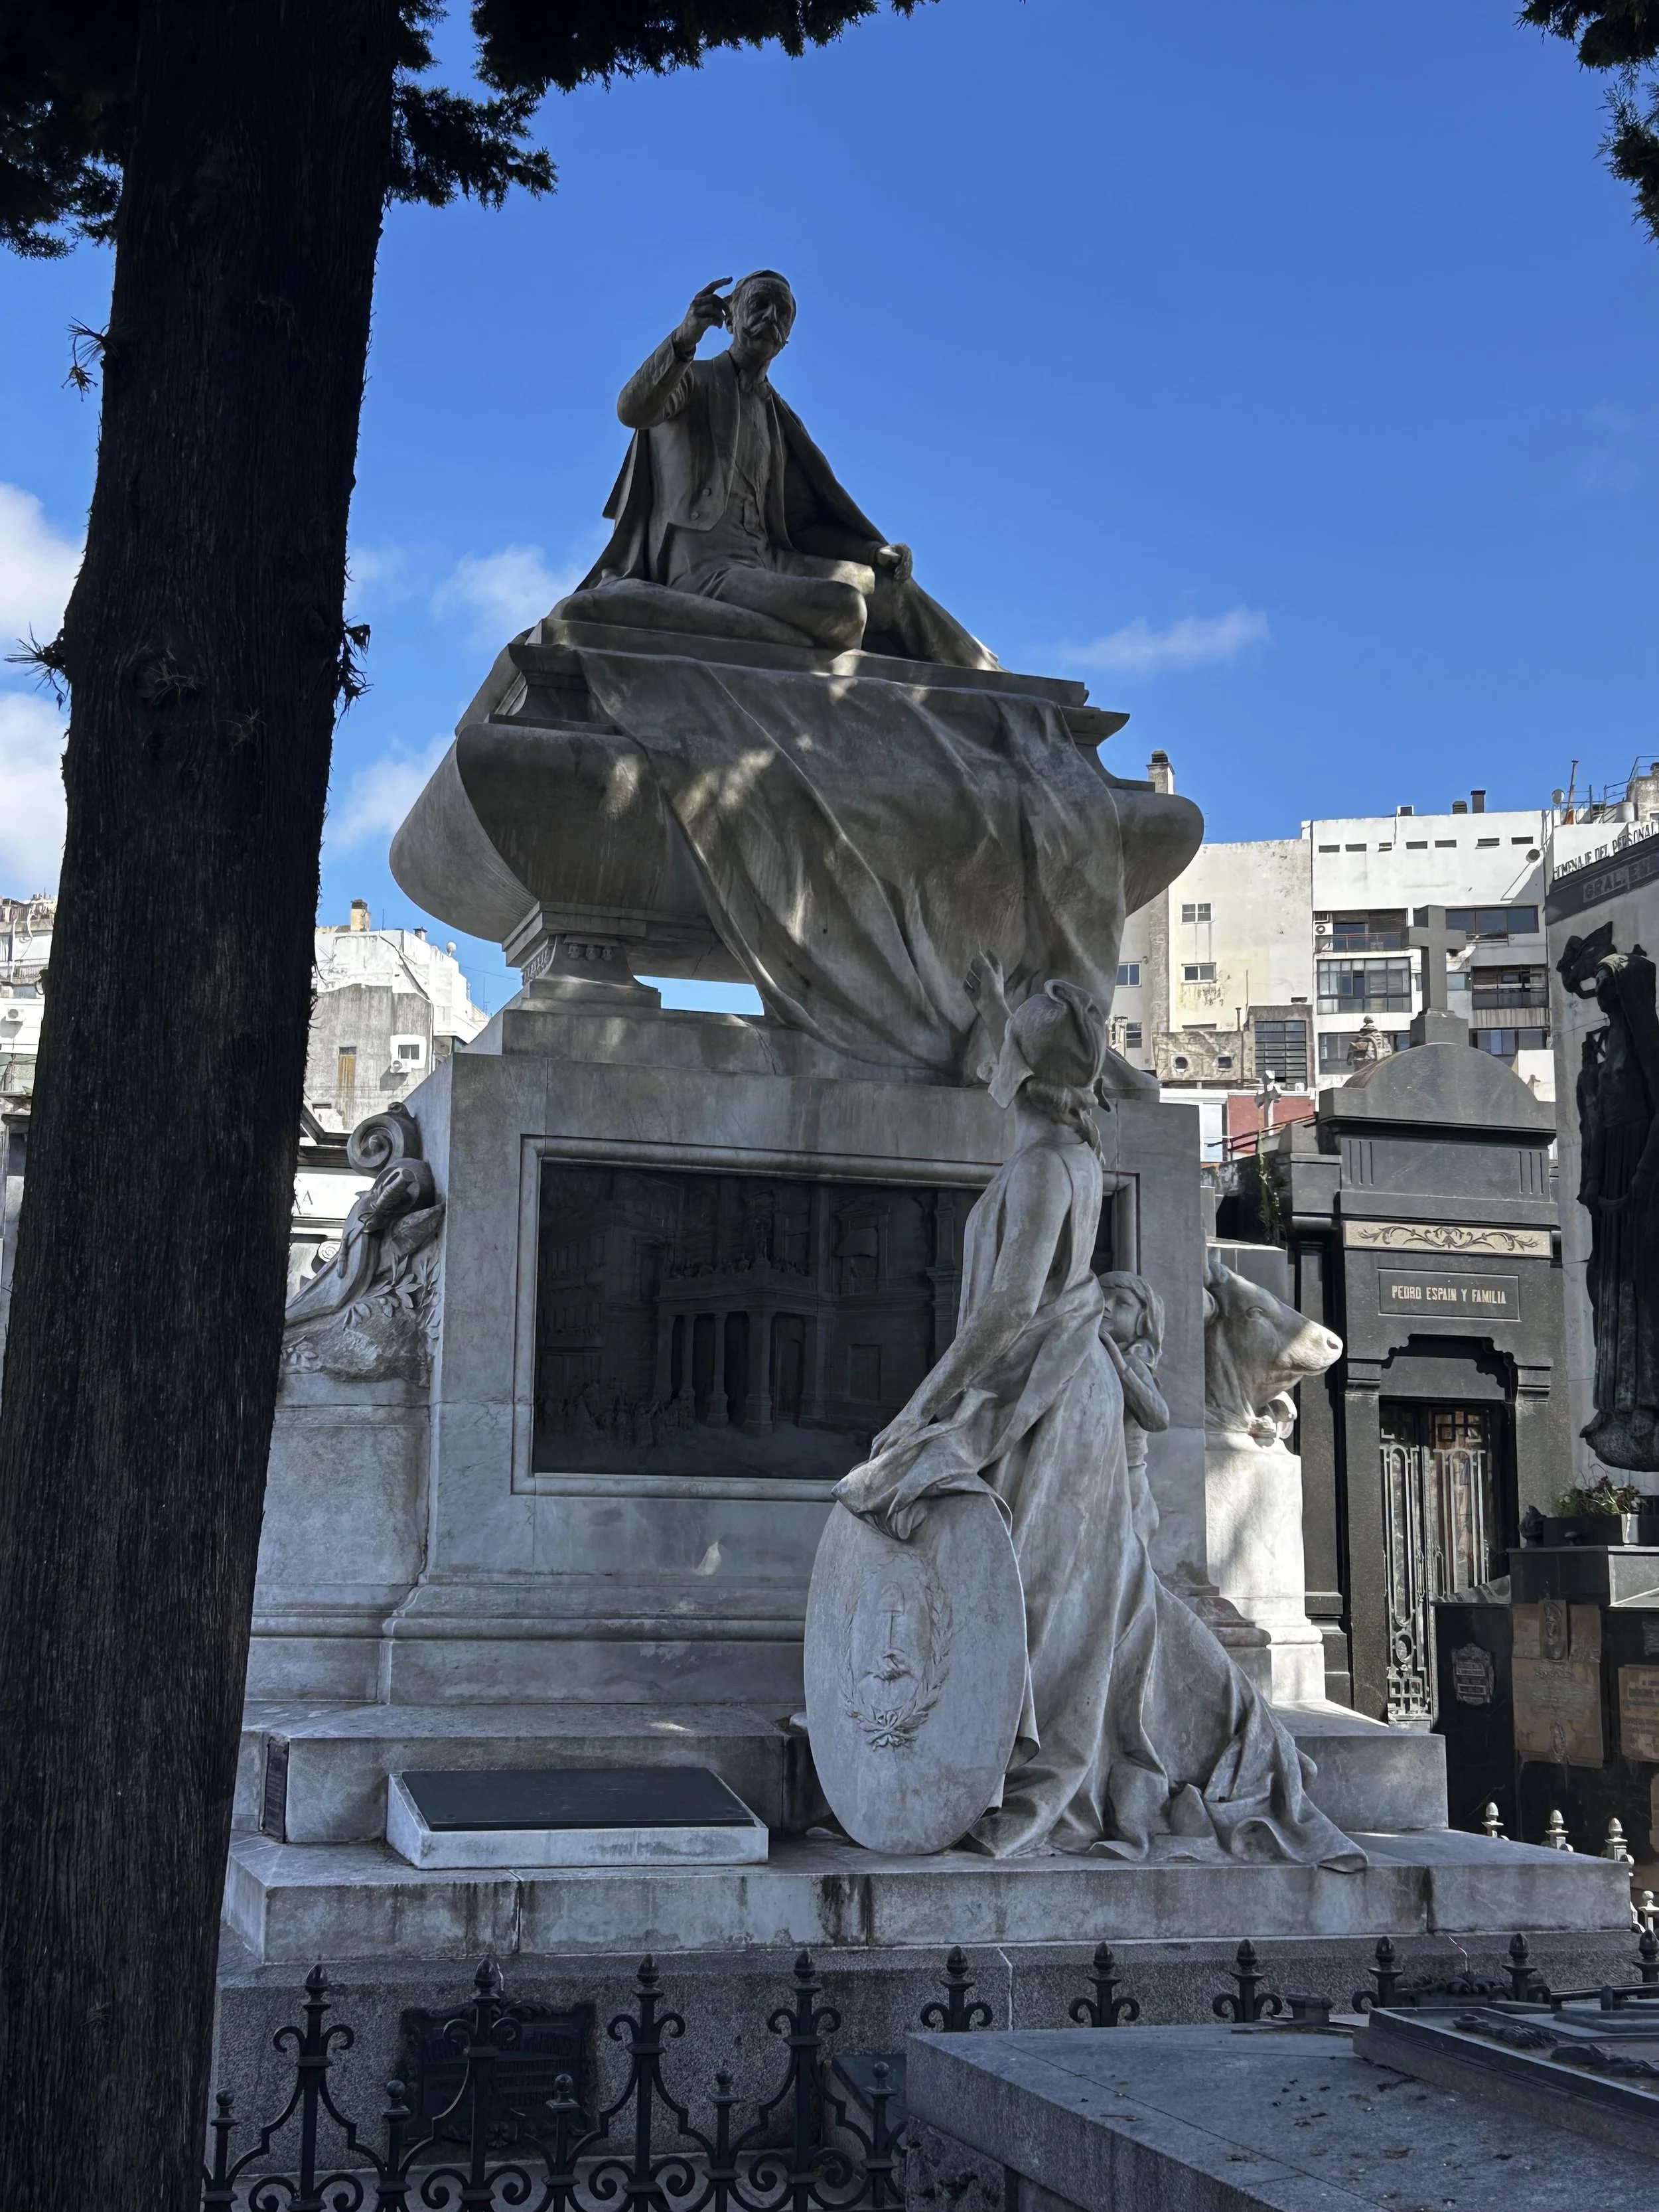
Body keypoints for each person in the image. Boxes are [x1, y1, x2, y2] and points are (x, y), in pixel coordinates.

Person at [835, 962, 1362, 1868]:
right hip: (1049, 1386)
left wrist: (920, 1406)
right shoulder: (1058, 1155)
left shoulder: (1045, 1166)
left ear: (1020, 1068)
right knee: (1065, 1591)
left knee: (1049, 1597)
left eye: (1004, 1047)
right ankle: (1018, 1756)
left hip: (1052, 1392)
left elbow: (1006, 1311)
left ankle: (1046, 1774)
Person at [571, 271, 995, 665]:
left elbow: (803, 528)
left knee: (891, 591)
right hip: (705, 569)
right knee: (845, 609)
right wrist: (684, 340)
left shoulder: (780, 419)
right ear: (732, 316)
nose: (772, 318)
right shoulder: (692, 378)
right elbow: (633, 410)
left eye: (783, 313)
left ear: (789, 336)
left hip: (770, 563)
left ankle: (995, 682)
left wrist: (869, 552)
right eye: (759, 305)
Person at [1097, 1270, 1167, 1549]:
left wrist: (1120, 1366)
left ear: (1143, 1322)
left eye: (1122, 1303)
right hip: (1098, 1480)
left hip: (1128, 1484)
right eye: (1102, 1297)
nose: (1106, 1306)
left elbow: (1158, 1418)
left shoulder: (1133, 1364)